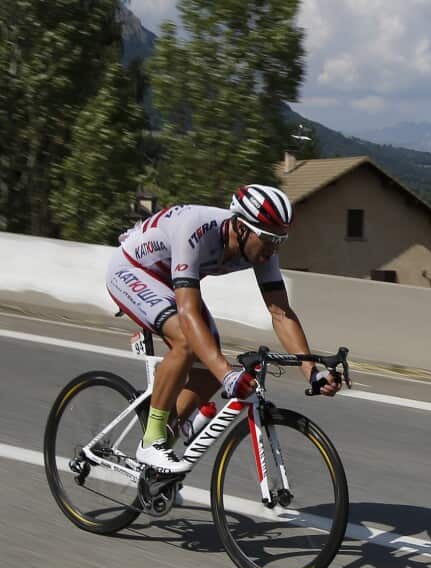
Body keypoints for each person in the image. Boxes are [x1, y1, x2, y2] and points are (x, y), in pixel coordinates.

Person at [105, 184, 341, 473]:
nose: (273, 248)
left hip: (170, 282)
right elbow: (187, 310)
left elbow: (280, 312)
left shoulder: (262, 249)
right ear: (240, 227)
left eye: (280, 240)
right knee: (190, 345)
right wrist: (226, 372)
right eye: (267, 239)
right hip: (132, 270)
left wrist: (311, 370)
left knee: (212, 371)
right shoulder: (196, 228)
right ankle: (151, 442)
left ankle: (158, 463)